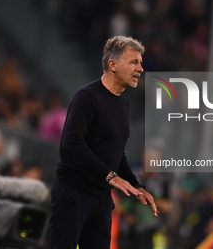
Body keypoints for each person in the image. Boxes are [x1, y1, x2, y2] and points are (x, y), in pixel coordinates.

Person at [49, 35, 159, 249]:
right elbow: (71, 145)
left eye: (141, 63)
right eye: (134, 62)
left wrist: (137, 186)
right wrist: (111, 176)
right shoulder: (87, 97)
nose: (140, 69)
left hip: (101, 199)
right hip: (73, 193)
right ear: (113, 65)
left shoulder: (123, 105)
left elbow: (117, 153)